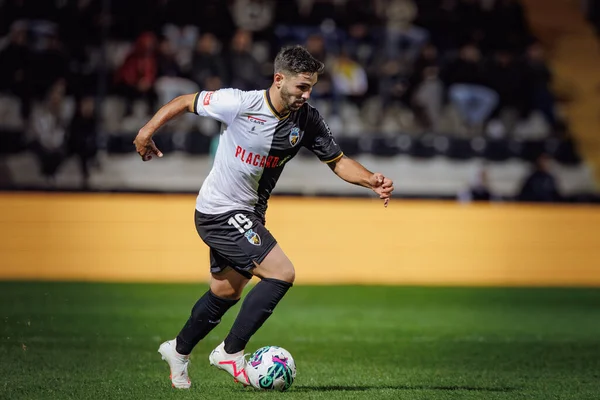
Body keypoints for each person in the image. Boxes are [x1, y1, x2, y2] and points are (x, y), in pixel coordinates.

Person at [133, 45, 394, 389]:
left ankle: (178, 350)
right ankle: (230, 351)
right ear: (278, 80)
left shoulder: (308, 119)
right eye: (302, 86)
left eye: (311, 86)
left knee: (225, 292)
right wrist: (145, 132)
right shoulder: (239, 103)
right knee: (281, 273)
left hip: (250, 214)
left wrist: (371, 179)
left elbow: (338, 161)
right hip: (220, 210)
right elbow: (185, 101)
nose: (307, 93)